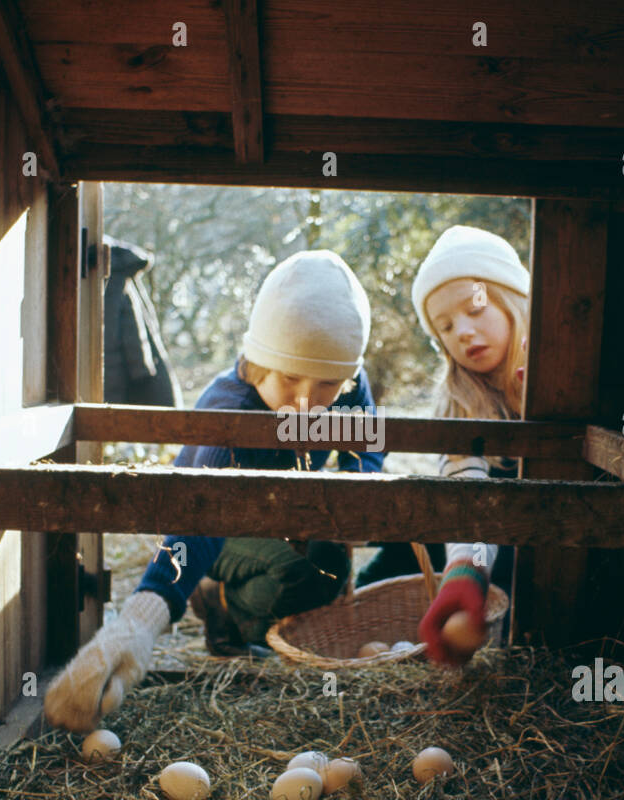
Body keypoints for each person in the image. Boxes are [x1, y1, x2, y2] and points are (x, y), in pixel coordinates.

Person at [45, 250, 384, 732]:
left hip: (286, 523)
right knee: (304, 570)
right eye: (290, 378)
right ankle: (219, 603)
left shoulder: (346, 384)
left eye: (327, 384)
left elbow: (365, 445)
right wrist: (141, 620)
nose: (307, 401)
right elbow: (198, 521)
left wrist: (353, 497)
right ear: (261, 360)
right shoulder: (229, 412)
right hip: (217, 537)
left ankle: (246, 602)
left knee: (331, 562)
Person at [377, 225, 530, 665]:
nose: (462, 331)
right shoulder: (459, 404)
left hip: (573, 559)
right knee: (407, 538)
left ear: (512, 300)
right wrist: (467, 573)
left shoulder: (561, 372)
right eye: (445, 325)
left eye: (475, 309)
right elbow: (469, 498)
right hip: (503, 562)